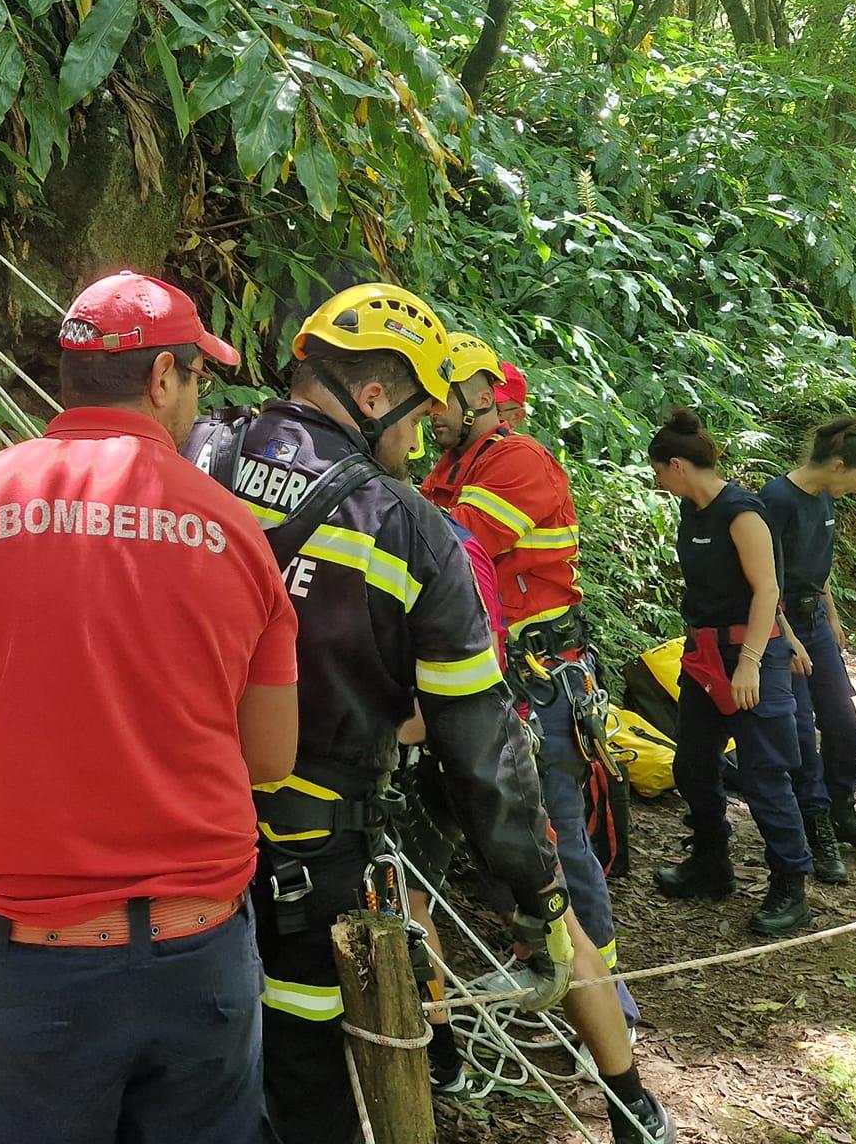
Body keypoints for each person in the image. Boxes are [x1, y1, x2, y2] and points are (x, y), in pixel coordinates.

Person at [0, 270, 300, 1144]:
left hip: (34, 964)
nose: (198, 397)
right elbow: (270, 758)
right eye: (198, 378)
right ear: (164, 379)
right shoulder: (236, 530)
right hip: (196, 952)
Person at [184, 282, 570, 1144]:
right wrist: (536, 890)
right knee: (307, 1070)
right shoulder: (411, 532)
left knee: (185, 1061)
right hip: (306, 857)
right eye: (415, 417)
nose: (417, 440)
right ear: (370, 396)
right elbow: (481, 744)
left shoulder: (199, 453)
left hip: (170, 834)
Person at [418, 338, 674, 1144]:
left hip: (539, 683)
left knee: (556, 839)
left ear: (480, 396)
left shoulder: (517, 461)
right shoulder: (453, 466)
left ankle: (609, 993)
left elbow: (448, 550)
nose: (428, 409)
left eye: (439, 394)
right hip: (492, 680)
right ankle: (551, 980)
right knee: (495, 849)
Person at [647, 408, 815, 936]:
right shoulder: (691, 512)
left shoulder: (742, 512)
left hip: (750, 660)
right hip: (702, 656)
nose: (655, 479)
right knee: (693, 764)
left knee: (764, 774)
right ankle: (710, 864)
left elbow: (767, 590)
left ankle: (791, 885)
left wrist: (753, 663)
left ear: (676, 465)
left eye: (657, 470)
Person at [762, 416, 856, 877]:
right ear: (838, 466)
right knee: (799, 733)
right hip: (779, 626)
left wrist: (831, 617)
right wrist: (788, 637)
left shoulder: (824, 500)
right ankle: (815, 829)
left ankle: (842, 811)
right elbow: (761, 578)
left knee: (844, 726)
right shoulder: (775, 500)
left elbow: (821, 566)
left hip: (814, 622)